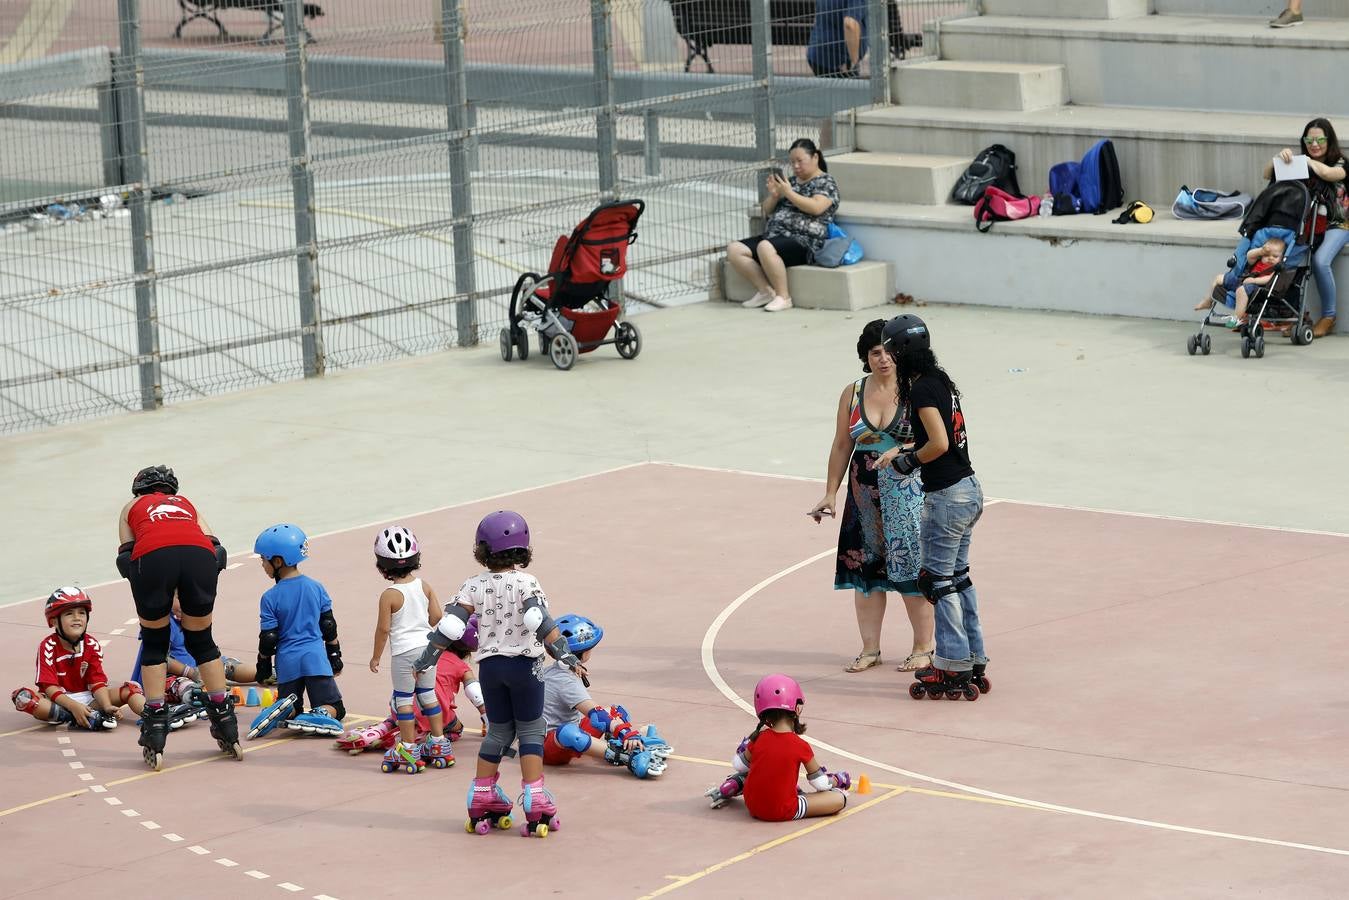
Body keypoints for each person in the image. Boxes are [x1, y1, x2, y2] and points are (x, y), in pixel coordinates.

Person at [412, 510, 586, 837]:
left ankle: (481, 794)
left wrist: (427, 657)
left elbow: (450, 625)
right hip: (525, 666)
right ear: (524, 548)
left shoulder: (473, 585)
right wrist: (564, 654)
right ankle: (535, 798)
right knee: (532, 730)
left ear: (482, 549)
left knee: (498, 733)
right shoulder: (526, 582)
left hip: (490, 668)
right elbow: (538, 618)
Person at [809, 319, 931, 674]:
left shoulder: (916, 389)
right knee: (866, 575)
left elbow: (933, 439)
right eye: (875, 352)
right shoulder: (853, 392)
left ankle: (923, 647)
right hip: (863, 492)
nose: (884, 358)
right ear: (865, 356)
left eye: (889, 351)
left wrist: (904, 449)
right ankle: (870, 649)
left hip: (907, 490)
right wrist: (831, 492)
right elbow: (841, 443)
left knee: (910, 571)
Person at [881, 315, 989, 700]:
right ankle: (973, 657)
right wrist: (909, 451)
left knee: (937, 583)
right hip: (969, 489)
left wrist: (909, 462)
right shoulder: (941, 381)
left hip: (946, 497)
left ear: (901, 352)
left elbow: (939, 443)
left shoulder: (923, 389)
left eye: (891, 351)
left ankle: (950, 664)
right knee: (958, 578)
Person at [116, 465, 238, 769]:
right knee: (202, 641)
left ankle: (155, 724)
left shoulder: (132, 506)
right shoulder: (187, 504)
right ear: (172, 490)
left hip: (154, 557)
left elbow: (125, 556)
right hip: (199, 556)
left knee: (156, 643)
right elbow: (217, 549)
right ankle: (225, 720)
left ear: (139, 490)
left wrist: (154, 589)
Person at [244, 524, 347, 741]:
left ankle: (284, 710)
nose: (262, 564)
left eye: (263, 559)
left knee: (293, 706)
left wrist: (263, 666)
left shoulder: (270, 597)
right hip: (315, 659)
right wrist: (335, 656)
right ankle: (320, 712)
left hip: (287, 662)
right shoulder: (316, 587)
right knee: (336, 707)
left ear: (278, 561)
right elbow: (328, 626)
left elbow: (269, 638)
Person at [541, 613, 672, 779]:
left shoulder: (557, 671)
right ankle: (624, 756)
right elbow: (595, 714)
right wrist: (624, 731)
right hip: (550, 747)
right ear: (583, 651)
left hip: (565, 731)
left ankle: (622, 744)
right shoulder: (566, 681)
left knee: (614, 711)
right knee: (570, 731)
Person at [366, 525, 453, 773]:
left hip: (404, 654)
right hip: (427, 650)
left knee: (403, 700)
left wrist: (375, 657)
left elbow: (383, 630)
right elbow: (436, 616)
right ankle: (438, 743)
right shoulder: (424, 586)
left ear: (382, 566)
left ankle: (408, 746)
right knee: (427, 695)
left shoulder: (389, 595)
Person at [703, 674, 850, 819]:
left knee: (758, 769)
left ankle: (739, 782)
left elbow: (739, 765)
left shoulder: (758, 737)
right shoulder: (800, 745)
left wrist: (747, 747)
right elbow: (821, 784)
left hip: (752, 806)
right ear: (797, 709)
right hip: (783, 810)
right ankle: (798, 793)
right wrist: (837, 780)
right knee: (838, 799)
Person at [727, 138, 840, 313]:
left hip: (805, 240)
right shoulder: (792, 182)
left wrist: (789, 193)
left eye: (800, 161)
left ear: (815, 157)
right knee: (735, 249)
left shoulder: (826, 182)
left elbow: (816, 208)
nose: (795, 166)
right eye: (792, 162)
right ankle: (765, 291)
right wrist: (773, 196)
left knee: (765, 247)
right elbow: (767, 210)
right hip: (775, 236)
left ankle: (784, 297)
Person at [11, 588, 146, 730]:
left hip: (90, 700)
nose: (77, 617)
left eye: (81, 613)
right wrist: (74, 707)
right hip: (59, 702)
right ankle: (75, 717)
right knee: (23, 697)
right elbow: (49, 688)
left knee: (131, 689)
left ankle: (155, 717)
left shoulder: (92, 644)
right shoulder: (48, 646)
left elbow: (97, 682)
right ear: (54, 621)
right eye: (69, 613)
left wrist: (106, 706)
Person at [1263, 118, 1347, 337]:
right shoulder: (1300, 164)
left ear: (1330, 140)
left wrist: (1307, 162)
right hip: (1308, 224)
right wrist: (1277, 161)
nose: (1314, 143)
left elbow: (1329, 175)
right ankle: (1297, 315)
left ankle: (1329, 317)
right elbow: (1266, 175)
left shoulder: (1341, 162)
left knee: (1320, 261)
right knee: (1286, 258)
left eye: (1320, 139)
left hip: (1340, 224)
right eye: (1309, 139)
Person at [1193, 234, 1287, 327]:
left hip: (1256, 288)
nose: (1270, 258)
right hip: (1242, 281)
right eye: (1267, 255)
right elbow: (1249, 256)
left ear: (1282, 258)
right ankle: (1207, 301)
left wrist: (1254, 281)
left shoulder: (1275, 268)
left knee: (1241, 290)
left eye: (1275, 256)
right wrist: (1261, 251)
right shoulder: (1257, 260)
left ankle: (1236, 318)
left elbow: (1268, 279)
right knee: (1219, 278)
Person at [807, 0, 866, 78]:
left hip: (816, 54)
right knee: (853, 88)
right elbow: (850, 24)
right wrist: (853, 62)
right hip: (840, 62)